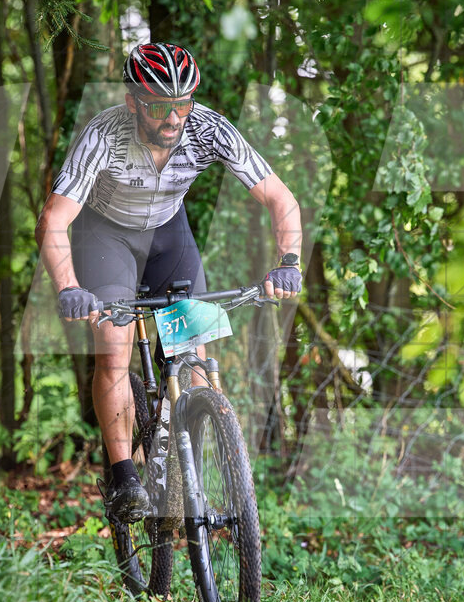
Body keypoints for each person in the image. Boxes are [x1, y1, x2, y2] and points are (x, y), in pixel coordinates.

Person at [35, 42, 303, 523]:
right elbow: (54, 219)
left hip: (167, 234)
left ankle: (188, 468)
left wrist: (288, 260)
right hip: (106, 235)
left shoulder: (208, 128)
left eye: (183, 104)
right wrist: (69, 287)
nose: (174, 117)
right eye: (160, 106)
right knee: (114, 347)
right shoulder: (104, 135)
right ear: (133, 101)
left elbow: (280, 198)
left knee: (195, 356)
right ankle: (123, 477)